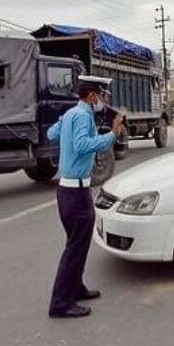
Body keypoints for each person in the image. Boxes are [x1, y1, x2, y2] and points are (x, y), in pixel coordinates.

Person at [46, 75, 125, 319]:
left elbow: (51, 134)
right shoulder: (81, 115)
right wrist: (112, 134)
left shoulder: (72, 114)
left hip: (67, 190)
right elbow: (82, 145)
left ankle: (75, 288)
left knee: (76, 244)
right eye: (100, 95)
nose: (102, 100)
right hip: (76, 192)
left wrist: (63, 122)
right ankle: (60, 302)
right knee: (74, 248)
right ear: (91, 96)